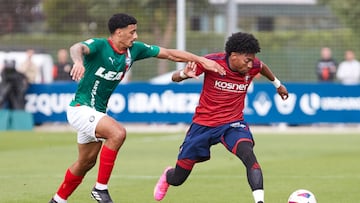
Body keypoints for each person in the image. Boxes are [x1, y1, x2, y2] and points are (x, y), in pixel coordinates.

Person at [48, 13, 225, 203]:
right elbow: (77, 48)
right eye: (132, 32)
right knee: (117, 133)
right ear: (118, 32)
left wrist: (201, 60)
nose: (136, 36)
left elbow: (170, 53)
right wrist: (77, 61)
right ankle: (100, 189)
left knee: (85, 163)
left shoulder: (134, 51)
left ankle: (58, 200)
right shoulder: (100, 46)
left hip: (96, 113)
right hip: (80, 108)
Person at [153, 32, 289, 203]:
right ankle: (167, 175)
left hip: (233, 124)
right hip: (203, 125)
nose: (250, 65)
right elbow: (174, 78)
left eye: (252, 60)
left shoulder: (253, 65)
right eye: (247, 60)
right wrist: (184, 74)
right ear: (233, 56)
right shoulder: (211, 62)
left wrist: (278, 85)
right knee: (178, 179)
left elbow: (262, 67)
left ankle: (260, 201)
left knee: (248, 155)